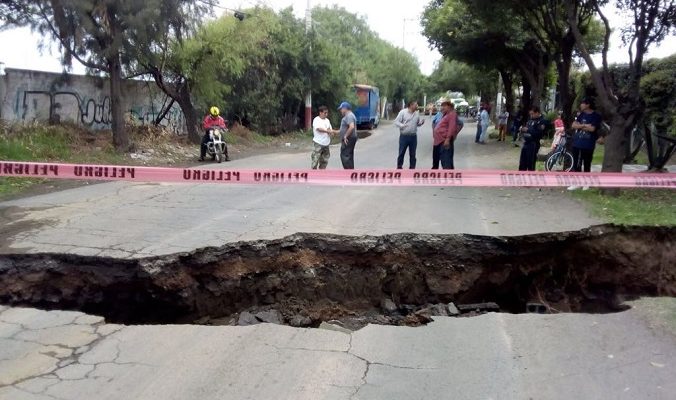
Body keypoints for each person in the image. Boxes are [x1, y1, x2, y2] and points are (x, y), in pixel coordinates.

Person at [568, 98, 603, 191]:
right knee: (576, 163)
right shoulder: (581, 114)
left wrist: (582, 126)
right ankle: (577, 182)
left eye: (582, 103)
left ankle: (586, 183)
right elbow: (573, 125)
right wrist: (584, 126)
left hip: (588, 143)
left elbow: (592, 129)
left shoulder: (596, 116)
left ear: (588, 104)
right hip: (577, 142)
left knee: (587, 163)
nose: (581, 105)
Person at [394, 101, 425, 169]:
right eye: (415, 105)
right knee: (401, 153)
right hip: (404, 136)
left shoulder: (416, 114)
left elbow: (417, 124)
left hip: (413, 137)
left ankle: (412, 168)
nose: (417, 106)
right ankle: (399, 168)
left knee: (413, 154)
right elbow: (396, 121)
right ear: (411, 105)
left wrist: (421, 123)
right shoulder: (403, 112)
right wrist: (402, 125)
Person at [518, 106, 548, 171]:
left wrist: (528, 130)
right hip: (526, 142)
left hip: (533, 144)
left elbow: (539, 133)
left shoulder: (542, 121)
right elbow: (526, 128)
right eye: (530, 114)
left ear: (537, 113)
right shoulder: (530, 120)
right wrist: (522, 129)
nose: (531, 115)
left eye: (532, 114)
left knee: (530, 163)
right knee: (522, 162)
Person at [432, 100, 458, 170]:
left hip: (444, 140)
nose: (442, 108)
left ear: (449, 107)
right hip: (439, 140)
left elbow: (451, 127)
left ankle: (448, 176)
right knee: (438, 159)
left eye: (444, 106)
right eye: (442, 106)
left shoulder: (452, 114)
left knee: (446, 160)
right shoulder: (446, 114)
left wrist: (448, 139)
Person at [338, 101, 358, 169]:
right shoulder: (350, 115)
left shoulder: (349, 115)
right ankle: (350, 172)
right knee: (348, 156)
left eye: (341, 109)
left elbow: (351, 126)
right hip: (350, 138)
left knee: (345, 156)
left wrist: (345, 136)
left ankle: (348, 173)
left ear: (345, 108)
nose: (340, 111)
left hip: (348, 138)